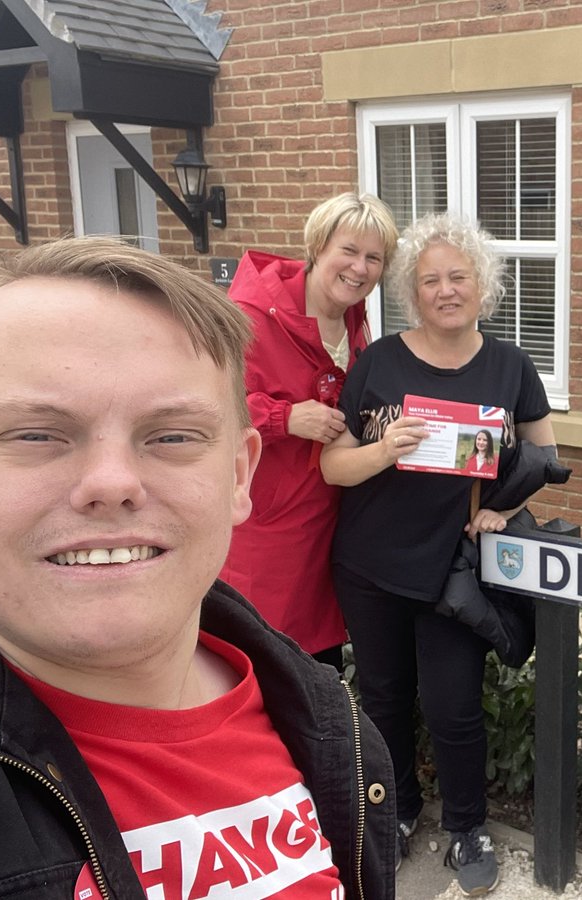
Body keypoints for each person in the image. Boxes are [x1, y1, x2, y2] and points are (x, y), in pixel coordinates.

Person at [0, 236, 396, 898]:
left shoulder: (327, 726)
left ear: (239, 475)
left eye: (171, 436)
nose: (113, 482)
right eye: (36, 434)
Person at [321, 213, 556, 897]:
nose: (446, 290)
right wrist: (382, 449)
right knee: (386, 698)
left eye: (459, 277)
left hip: (455, 567)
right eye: (430, 280)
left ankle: (467, 826)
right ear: (411, 292)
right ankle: (393, 815)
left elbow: (543, 459)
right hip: (371, 563)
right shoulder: (379, 362)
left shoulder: (511, 365)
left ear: (482, 284)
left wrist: (504, 509)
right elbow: (333, 466)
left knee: (455, 707)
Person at [220, 192, 399, 670]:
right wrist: (285, 418)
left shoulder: (355, 321)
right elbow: (207, 407)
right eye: (349, 250)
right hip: (268, 530)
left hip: (330, 523)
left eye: (374, 258)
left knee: (319, 670)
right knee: (264, 663)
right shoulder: (249, 317)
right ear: (318, 246)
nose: (359, 268)